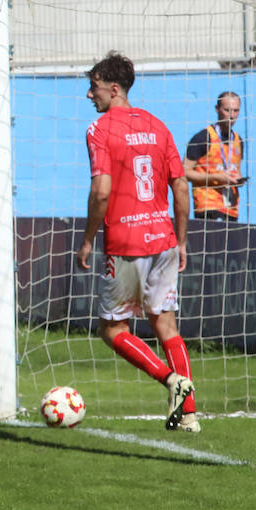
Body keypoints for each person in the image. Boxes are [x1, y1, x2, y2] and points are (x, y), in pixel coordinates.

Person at [76, 52, 199, 433]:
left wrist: (87, 240)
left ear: (113, 89)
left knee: (114, 330)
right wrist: (180, 240)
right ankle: (189, 414)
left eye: (93, 87)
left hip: (126, 243)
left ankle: (170, 381)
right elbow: (180, 187)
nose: (88, 95)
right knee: (166, 324)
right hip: (162, 239)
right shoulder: (158, 126)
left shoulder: (100, 129)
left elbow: (101, 192)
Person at [184, 90, 245, 220]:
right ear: (217, 109)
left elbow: (236, 169)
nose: (232, 115)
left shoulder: (238, 140)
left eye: (236, 111)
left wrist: (238, 179)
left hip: (230, 208)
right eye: (227, 110)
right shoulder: (203, 137)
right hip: (208, 206)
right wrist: (217, 177)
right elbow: (184, 172)